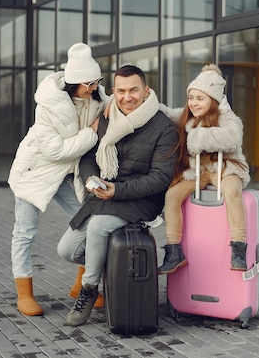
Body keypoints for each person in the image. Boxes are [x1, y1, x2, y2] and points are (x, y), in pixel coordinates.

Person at [57, 64, 178, 327]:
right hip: (103, 196)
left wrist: (117, 191)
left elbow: (160, 178)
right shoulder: (107, 117)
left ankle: (88, 290)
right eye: (121, 91)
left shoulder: (163, 127)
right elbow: (88, 156)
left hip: (142, 199)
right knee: (66, 250)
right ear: (114, 91)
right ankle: (112, 267)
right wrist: (91, 179)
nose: (127, 97)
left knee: (99, 227)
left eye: (134, 90)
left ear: (146, 91)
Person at [8, 43, 106, 316]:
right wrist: (92, 132)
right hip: (35, 171)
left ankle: (81, 285)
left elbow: (124, 105)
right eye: (91, 82)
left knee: (88, 221)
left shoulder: (97, 97)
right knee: (25, 231)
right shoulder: (48, 105)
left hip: (66, 173)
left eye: (98, 81)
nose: (95, 86)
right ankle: (24, 293)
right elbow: (54, 150)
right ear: (76, 82)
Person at [157, 64, 250, 275]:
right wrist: (149, 102)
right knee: (172, 196)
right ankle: (174, 250)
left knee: (232, 192)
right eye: (191, 98)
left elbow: (233, 138)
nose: (194, 103)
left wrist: (200, 137)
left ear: (213, 100)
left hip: (224, 167)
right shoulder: (188, 115)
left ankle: (238, 247)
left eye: (200, 98)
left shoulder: (227, 117)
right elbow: (169, 113)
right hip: (198, 170)